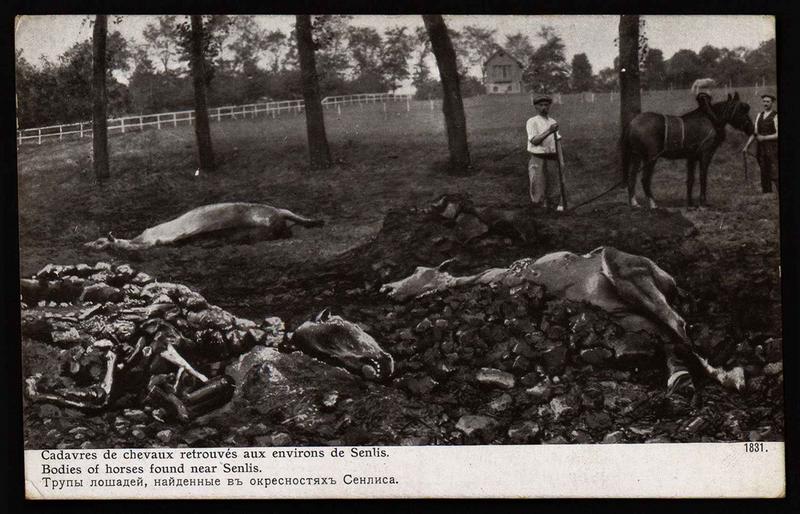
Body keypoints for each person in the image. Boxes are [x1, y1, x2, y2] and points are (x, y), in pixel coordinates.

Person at [526, 94, 565, 211]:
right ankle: (538, 210)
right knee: (538, 185)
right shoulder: (532, 121)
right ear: (536, 107)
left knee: (554, 186)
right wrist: (549, 131)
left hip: (552, 157)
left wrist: (561, 161)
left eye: (546, 105)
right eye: (541, 105)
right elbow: (535, 141)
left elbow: (557, 142)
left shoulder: (552, 121)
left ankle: (552, 209)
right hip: (538, 158)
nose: (544, 107)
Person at [743, 94, 778, 193]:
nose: (765, 103)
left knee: (775, 170)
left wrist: (764, 137)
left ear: (772, 103)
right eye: (764, 101)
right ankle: (767, 193)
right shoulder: (759, 115)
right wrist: (746, 146)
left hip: (773, 147)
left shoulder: (775, 116)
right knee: (763, 170)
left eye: (768, 101)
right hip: (761, 148)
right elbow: (755, 133)